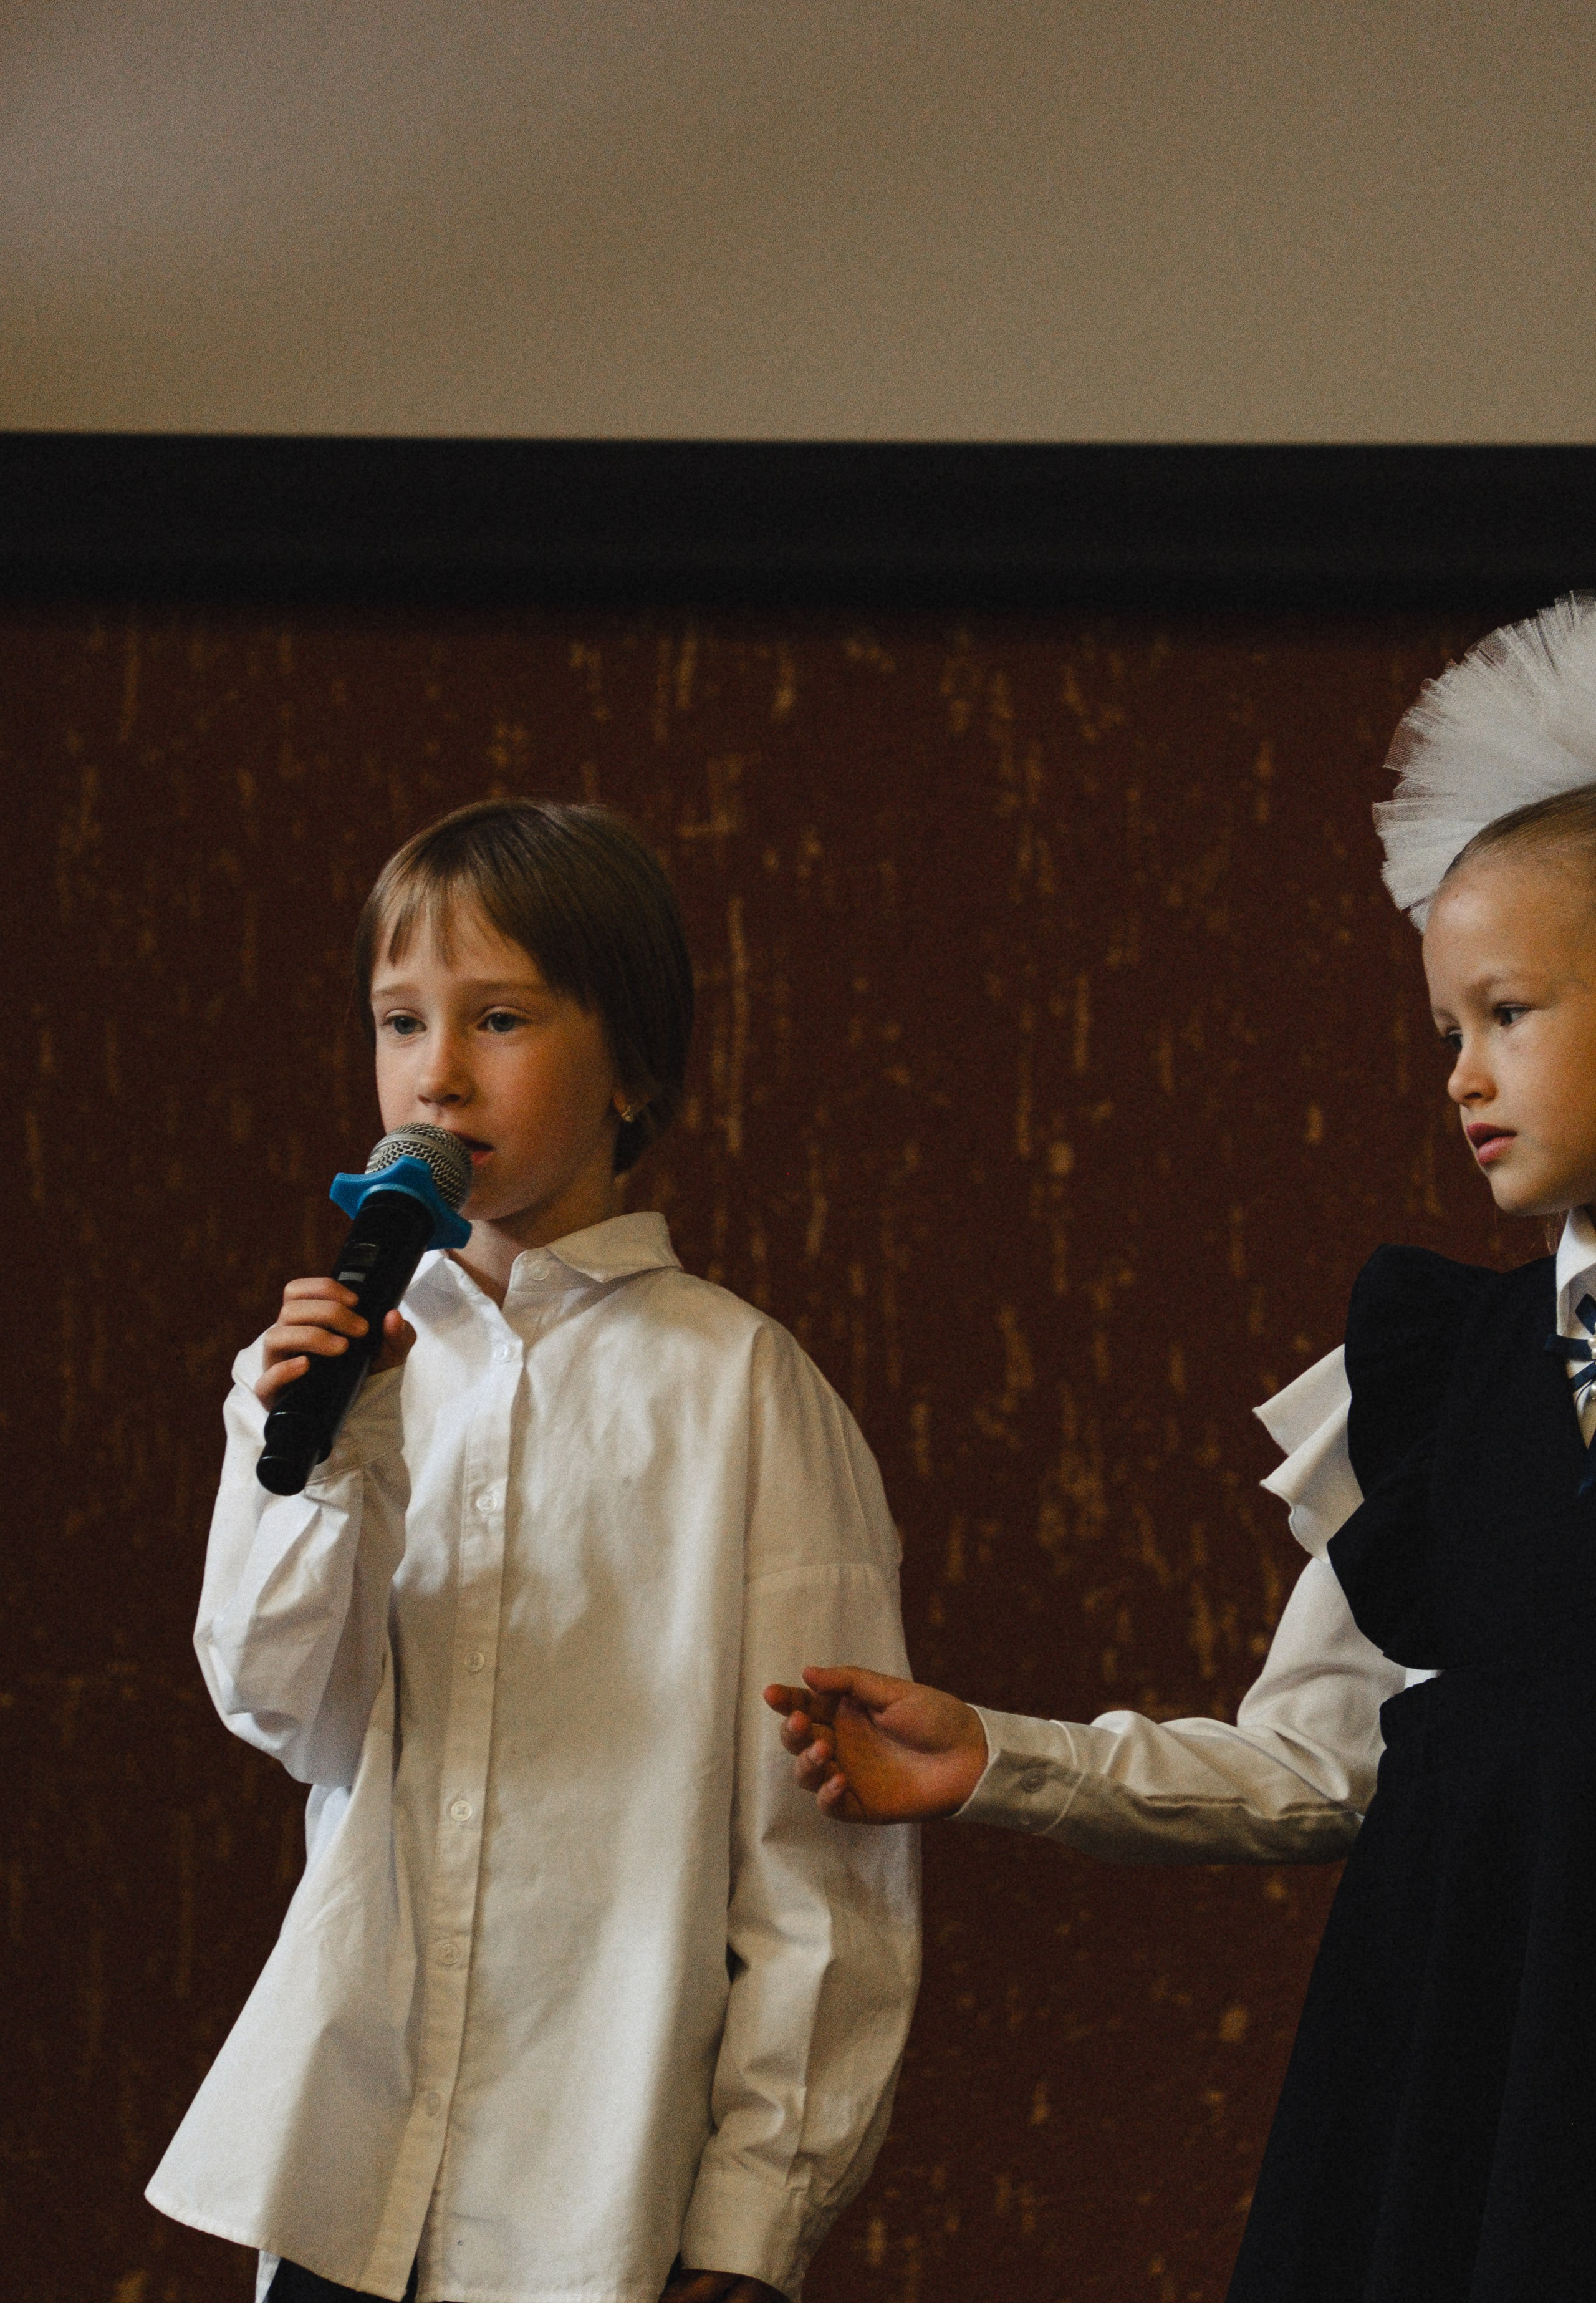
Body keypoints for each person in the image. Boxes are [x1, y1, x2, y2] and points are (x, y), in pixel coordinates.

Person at [767, 596, 1596, 2300]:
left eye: (1508, 1014)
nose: (1460, 1078)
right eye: (1447, 1030)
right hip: (1477, 2104)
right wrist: (999, 1758)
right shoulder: (1443, 1386)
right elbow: (1319, 1765)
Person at [147, 799, 920, 2303]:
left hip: (591, 2197)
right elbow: (282, 1711)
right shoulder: (333, 1372)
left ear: (632, 1064)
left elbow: (821, 1853)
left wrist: (759, 2216)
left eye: (498, 1018)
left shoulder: (742, 1394)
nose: (434, 1072)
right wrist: (319, 1466)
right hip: (346, 2177)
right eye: (397, 1021)